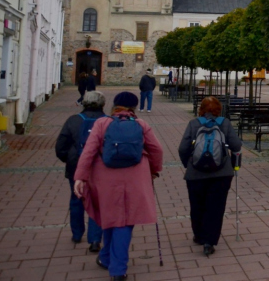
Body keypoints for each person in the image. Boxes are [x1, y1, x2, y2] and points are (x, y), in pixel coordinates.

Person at [74, 92, 163, 281]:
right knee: (125, 222)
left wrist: (80, 177)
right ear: (134, 107)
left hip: (105, 179)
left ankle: (107, 258)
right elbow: (157, 150)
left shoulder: (102, 124)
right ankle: (118, 269)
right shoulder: (141, 125)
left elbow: (88, 151)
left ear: (114, 106)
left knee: (110, 217)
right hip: (135, 179)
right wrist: (154, 170)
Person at [178, 96, 242, 256]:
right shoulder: (224, 123)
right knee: (216, 207)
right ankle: (209, 242)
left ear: (201, 109)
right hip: (221, 173)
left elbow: (182, 148)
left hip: (196, 174)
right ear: (219, 109)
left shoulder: (193, 124)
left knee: (197, 205)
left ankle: (199, 235)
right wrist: (234, 165)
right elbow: (236, 146)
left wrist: (189, 164)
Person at [55, 91, 107, 251]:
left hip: (76, 165)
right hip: (100, 166)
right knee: (97, 201)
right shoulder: (107, 121)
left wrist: (70, 160)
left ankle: (77, 233)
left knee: (76, 198)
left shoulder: (73, 120)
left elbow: (60, 147)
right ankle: (95, 239)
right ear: (103, 104)